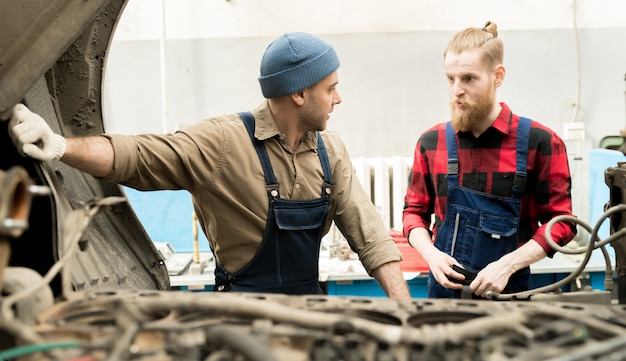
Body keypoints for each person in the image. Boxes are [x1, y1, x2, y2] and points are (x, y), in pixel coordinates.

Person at [8, 32, 411, 299]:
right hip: (240, 319)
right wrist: (60, 144)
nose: (339, 98)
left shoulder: (331, 151)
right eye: (331, 88)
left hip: (311, 313)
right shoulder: (224, 142)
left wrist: (406, 313)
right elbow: (140, 155)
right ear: (301, 93)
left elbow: (370, 236)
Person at [402, 21, 576, 299]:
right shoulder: (431, 143)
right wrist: (431, 255)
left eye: (469, 79)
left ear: (498, 76)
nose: (456, 90)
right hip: (445, 300)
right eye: (450, 78)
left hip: (509, 298)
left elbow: (562, 224)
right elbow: (414, 214)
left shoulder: (540, 142)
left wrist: (508, 265)